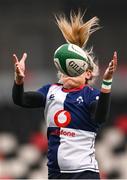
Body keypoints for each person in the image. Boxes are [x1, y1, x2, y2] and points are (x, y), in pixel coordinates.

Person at [12, 11, 117, 179]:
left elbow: (101, 117)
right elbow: (20, 100)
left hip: (84, 173)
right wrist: (18, 80)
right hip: (56, 174)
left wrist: (106, 83)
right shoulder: (50, 91)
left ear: (88, 74)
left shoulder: (91, 95)